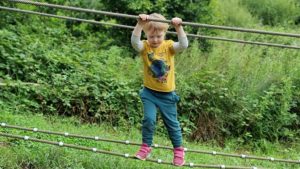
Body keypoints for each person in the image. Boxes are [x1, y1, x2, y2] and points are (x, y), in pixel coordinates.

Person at [131, 13, 188, 166]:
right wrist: (140, 24)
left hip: (167, 95)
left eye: (158, 36)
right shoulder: (145, 46)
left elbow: (183, 45)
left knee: (172, 124)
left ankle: (178, 150)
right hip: (149, 92)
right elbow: (134, 42)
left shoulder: (168, 46)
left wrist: (178, 27)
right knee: (149, 119)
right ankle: (145, 147)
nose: (155, 40)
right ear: (146, 35)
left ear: (164, 33)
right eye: (151, 36)